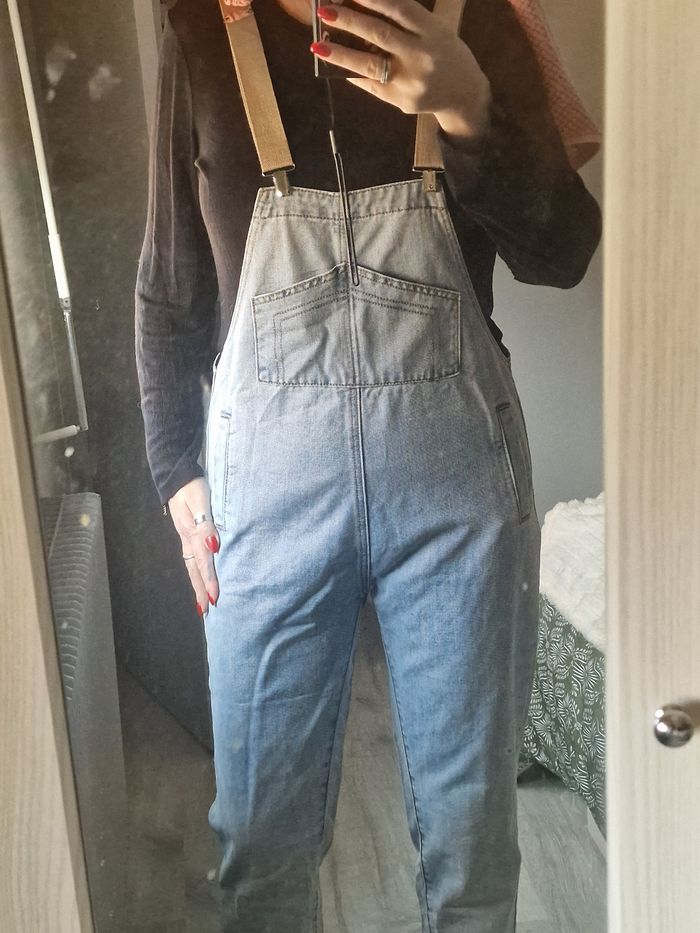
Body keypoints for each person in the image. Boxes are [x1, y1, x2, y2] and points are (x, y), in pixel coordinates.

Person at [134, 0, 602, 930]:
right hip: (265, 501)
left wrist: (468, 107)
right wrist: (175, 468)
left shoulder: (473, 19)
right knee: (259, 846)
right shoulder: (202, 27)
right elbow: (169, 282)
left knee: (471, 845)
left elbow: (563, 252)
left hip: (458, 497)